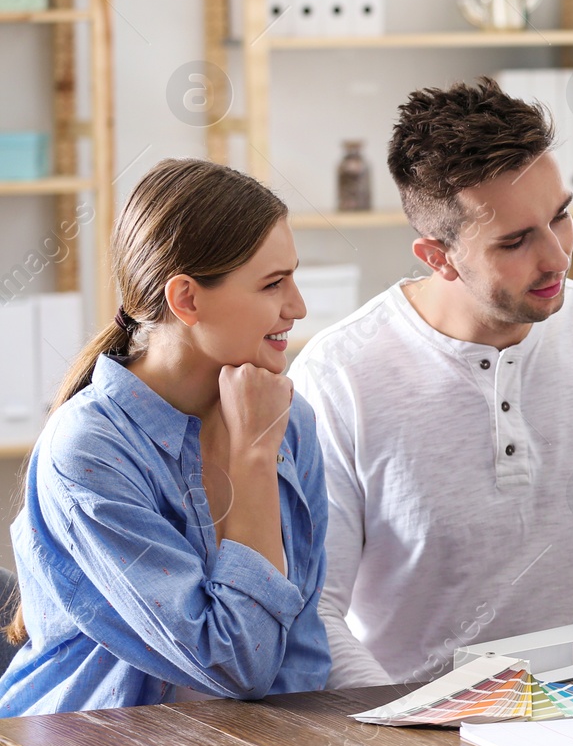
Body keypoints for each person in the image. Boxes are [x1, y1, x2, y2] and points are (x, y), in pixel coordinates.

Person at [290, 79, 573, 696]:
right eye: (514, 241)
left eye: (559, 216)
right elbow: (315, 610)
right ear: (438, 257)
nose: (557, 256)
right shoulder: (337, 375)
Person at [0, 159, 329, 715]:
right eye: (274, 284)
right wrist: (252, 459)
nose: (297, 307)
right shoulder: (87, 450)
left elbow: (298, 655)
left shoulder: (289, 419)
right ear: (187, 300)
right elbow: (235, 666)